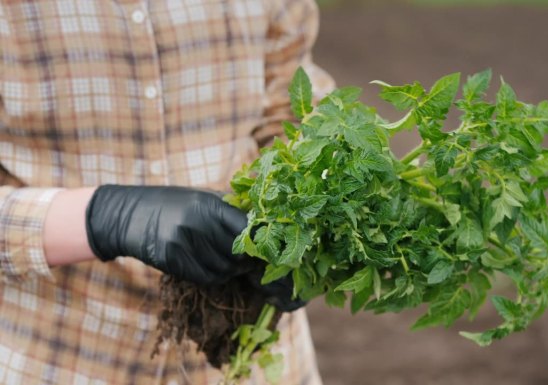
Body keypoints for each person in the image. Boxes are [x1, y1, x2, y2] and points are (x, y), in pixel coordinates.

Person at [0, 0, 334, 383]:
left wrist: (301, 217)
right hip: (64, 359)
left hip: (257, 360)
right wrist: (104, 217)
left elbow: (294, 111)